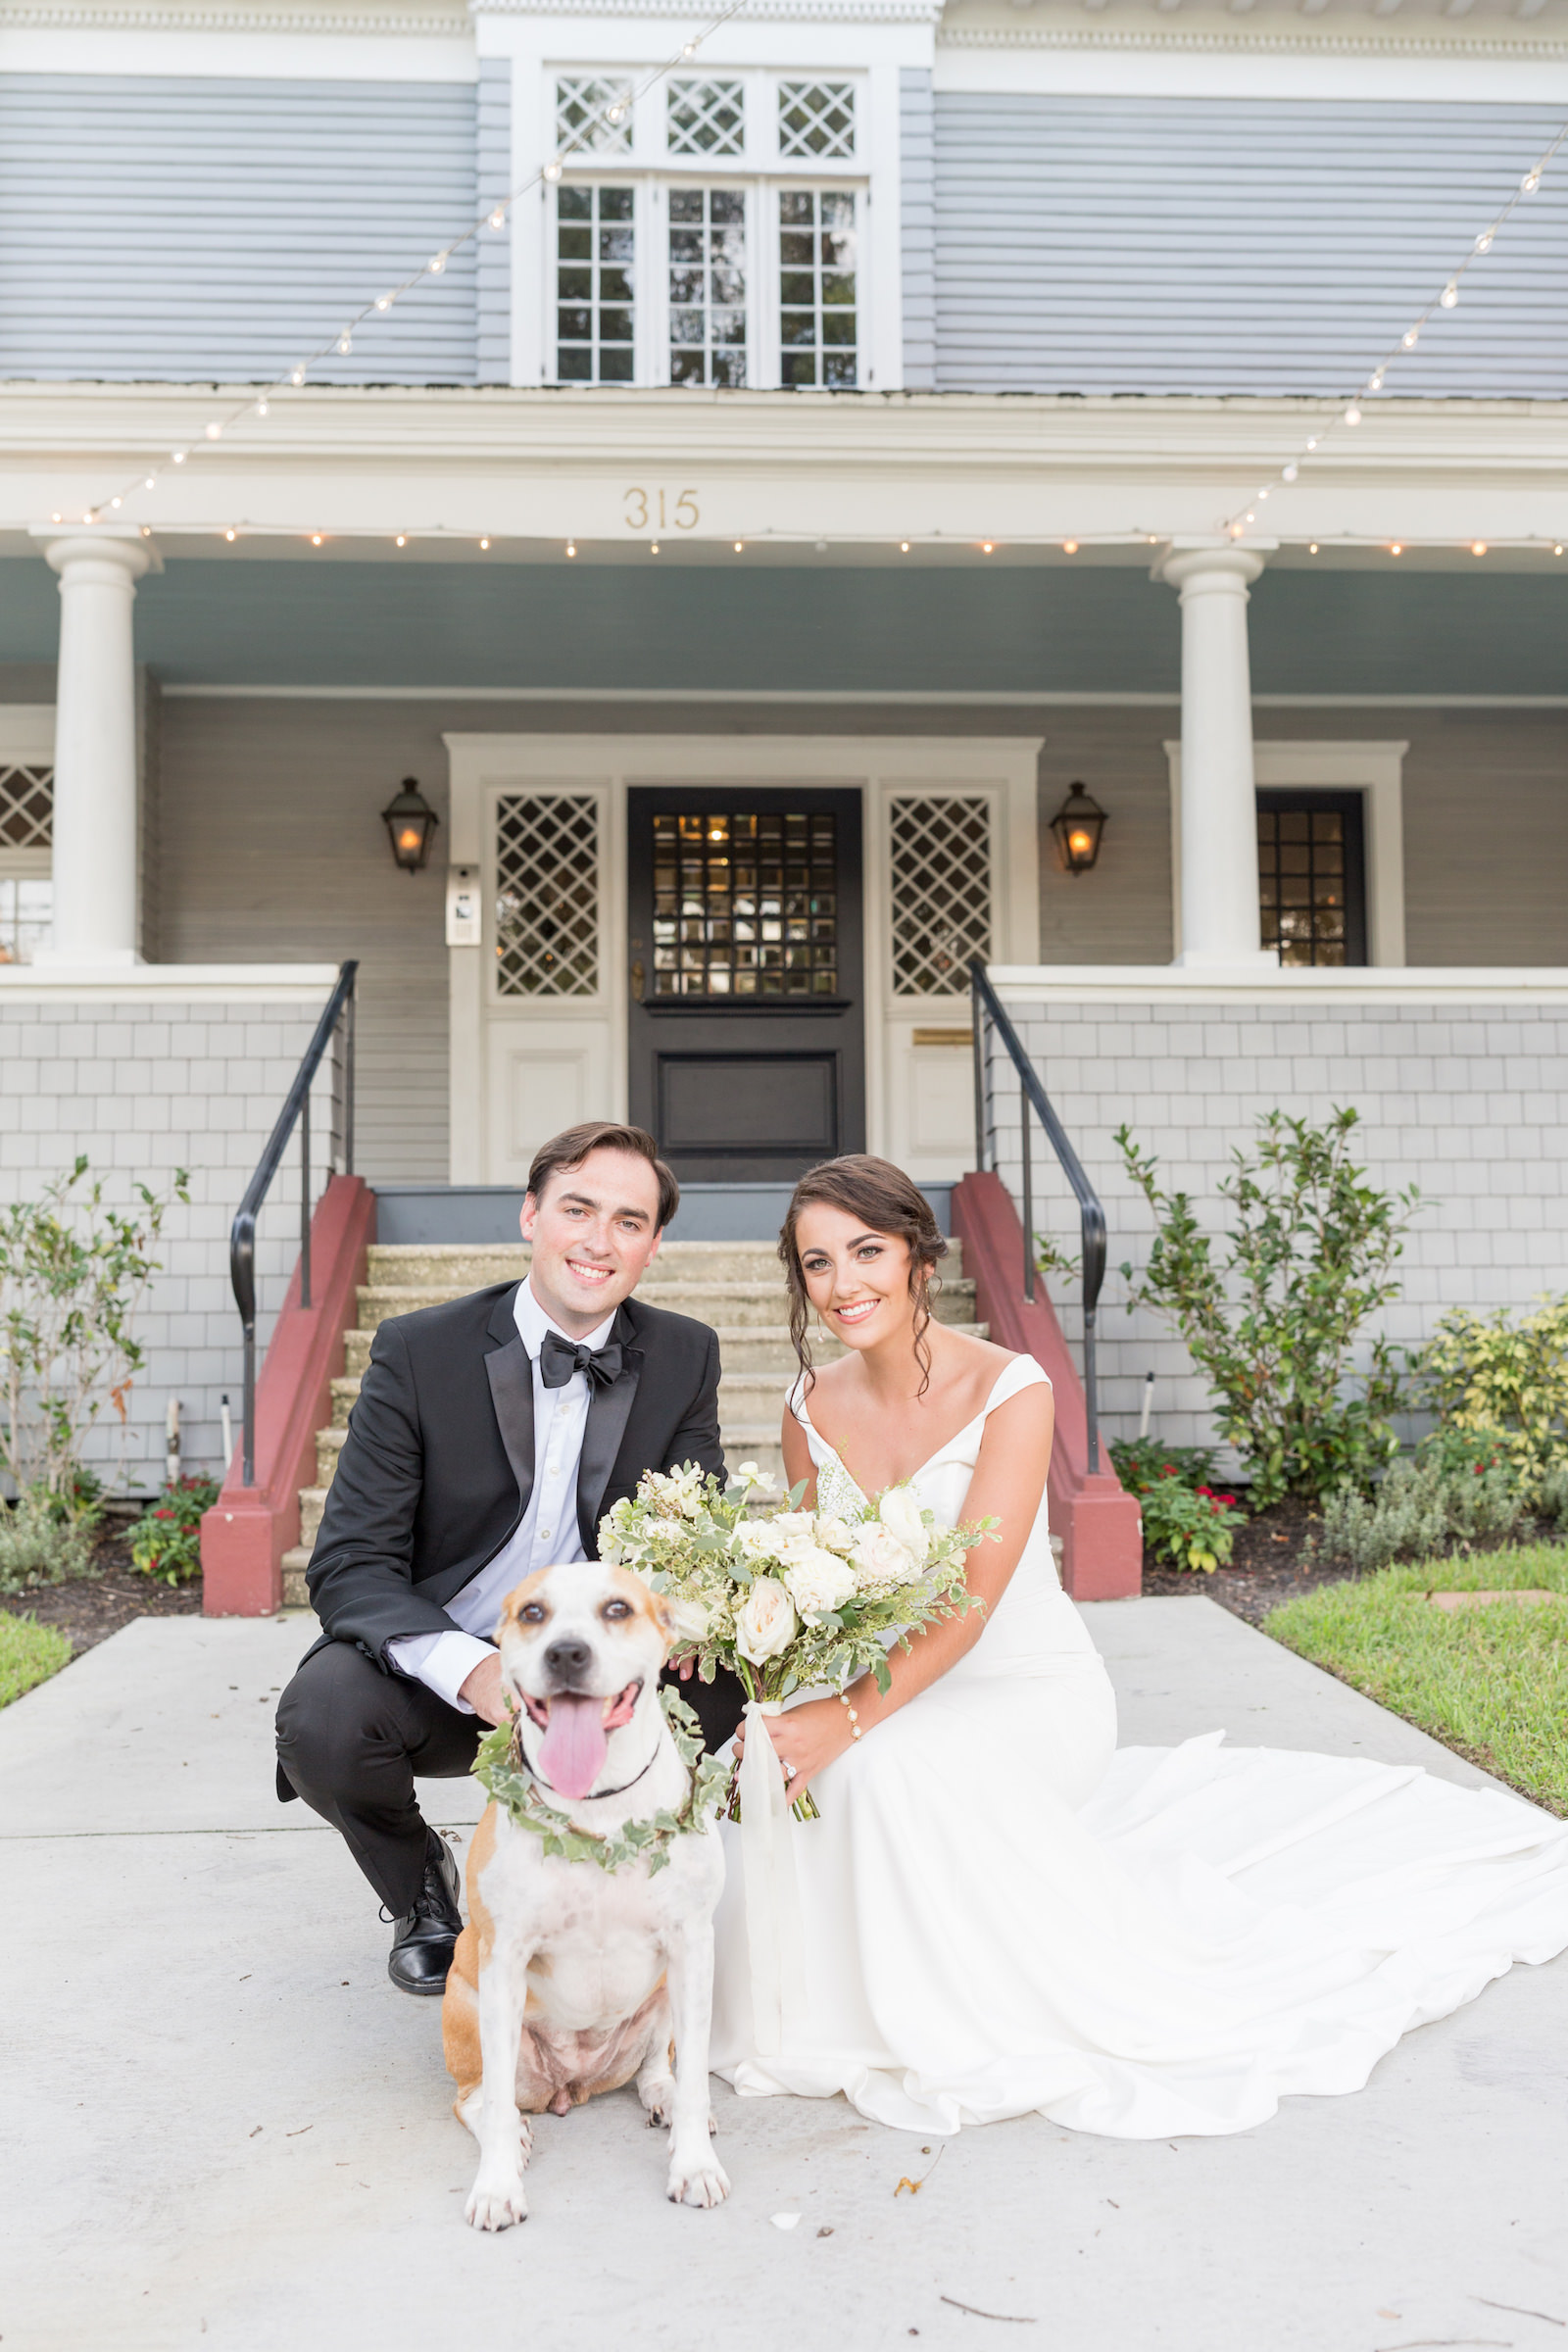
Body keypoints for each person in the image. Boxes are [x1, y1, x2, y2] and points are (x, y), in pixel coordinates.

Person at [709, 1152, 1568, 2138]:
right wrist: (783, 1709)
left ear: (917, 1258)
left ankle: (935, 2015)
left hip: (1023, 1691)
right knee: (795, 1776)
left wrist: (846, 1720)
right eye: (816, 1263)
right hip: (891, 1683)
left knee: (873, 1766)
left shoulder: (1010, 1388)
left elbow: (974, 1604)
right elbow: (813, 1589)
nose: (842, 1282)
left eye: (866, 1250)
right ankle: (818, 2009)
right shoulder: (807, 1407)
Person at [275, 1120, 746, 1995]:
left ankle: (623, 1893)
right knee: (323, 1721)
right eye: (578, 1209)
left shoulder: (684, 1355)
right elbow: (348, 1563)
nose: (599, 1242)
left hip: (595, 1660)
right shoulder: (419, 1352)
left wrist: (687, 1610)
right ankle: (425, 1890)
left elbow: (699, 1530)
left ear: (652, 1245)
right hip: (447, 1672)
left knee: (722, 1682)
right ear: (531, 1215)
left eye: (629, 1222)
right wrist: (475, 1672)